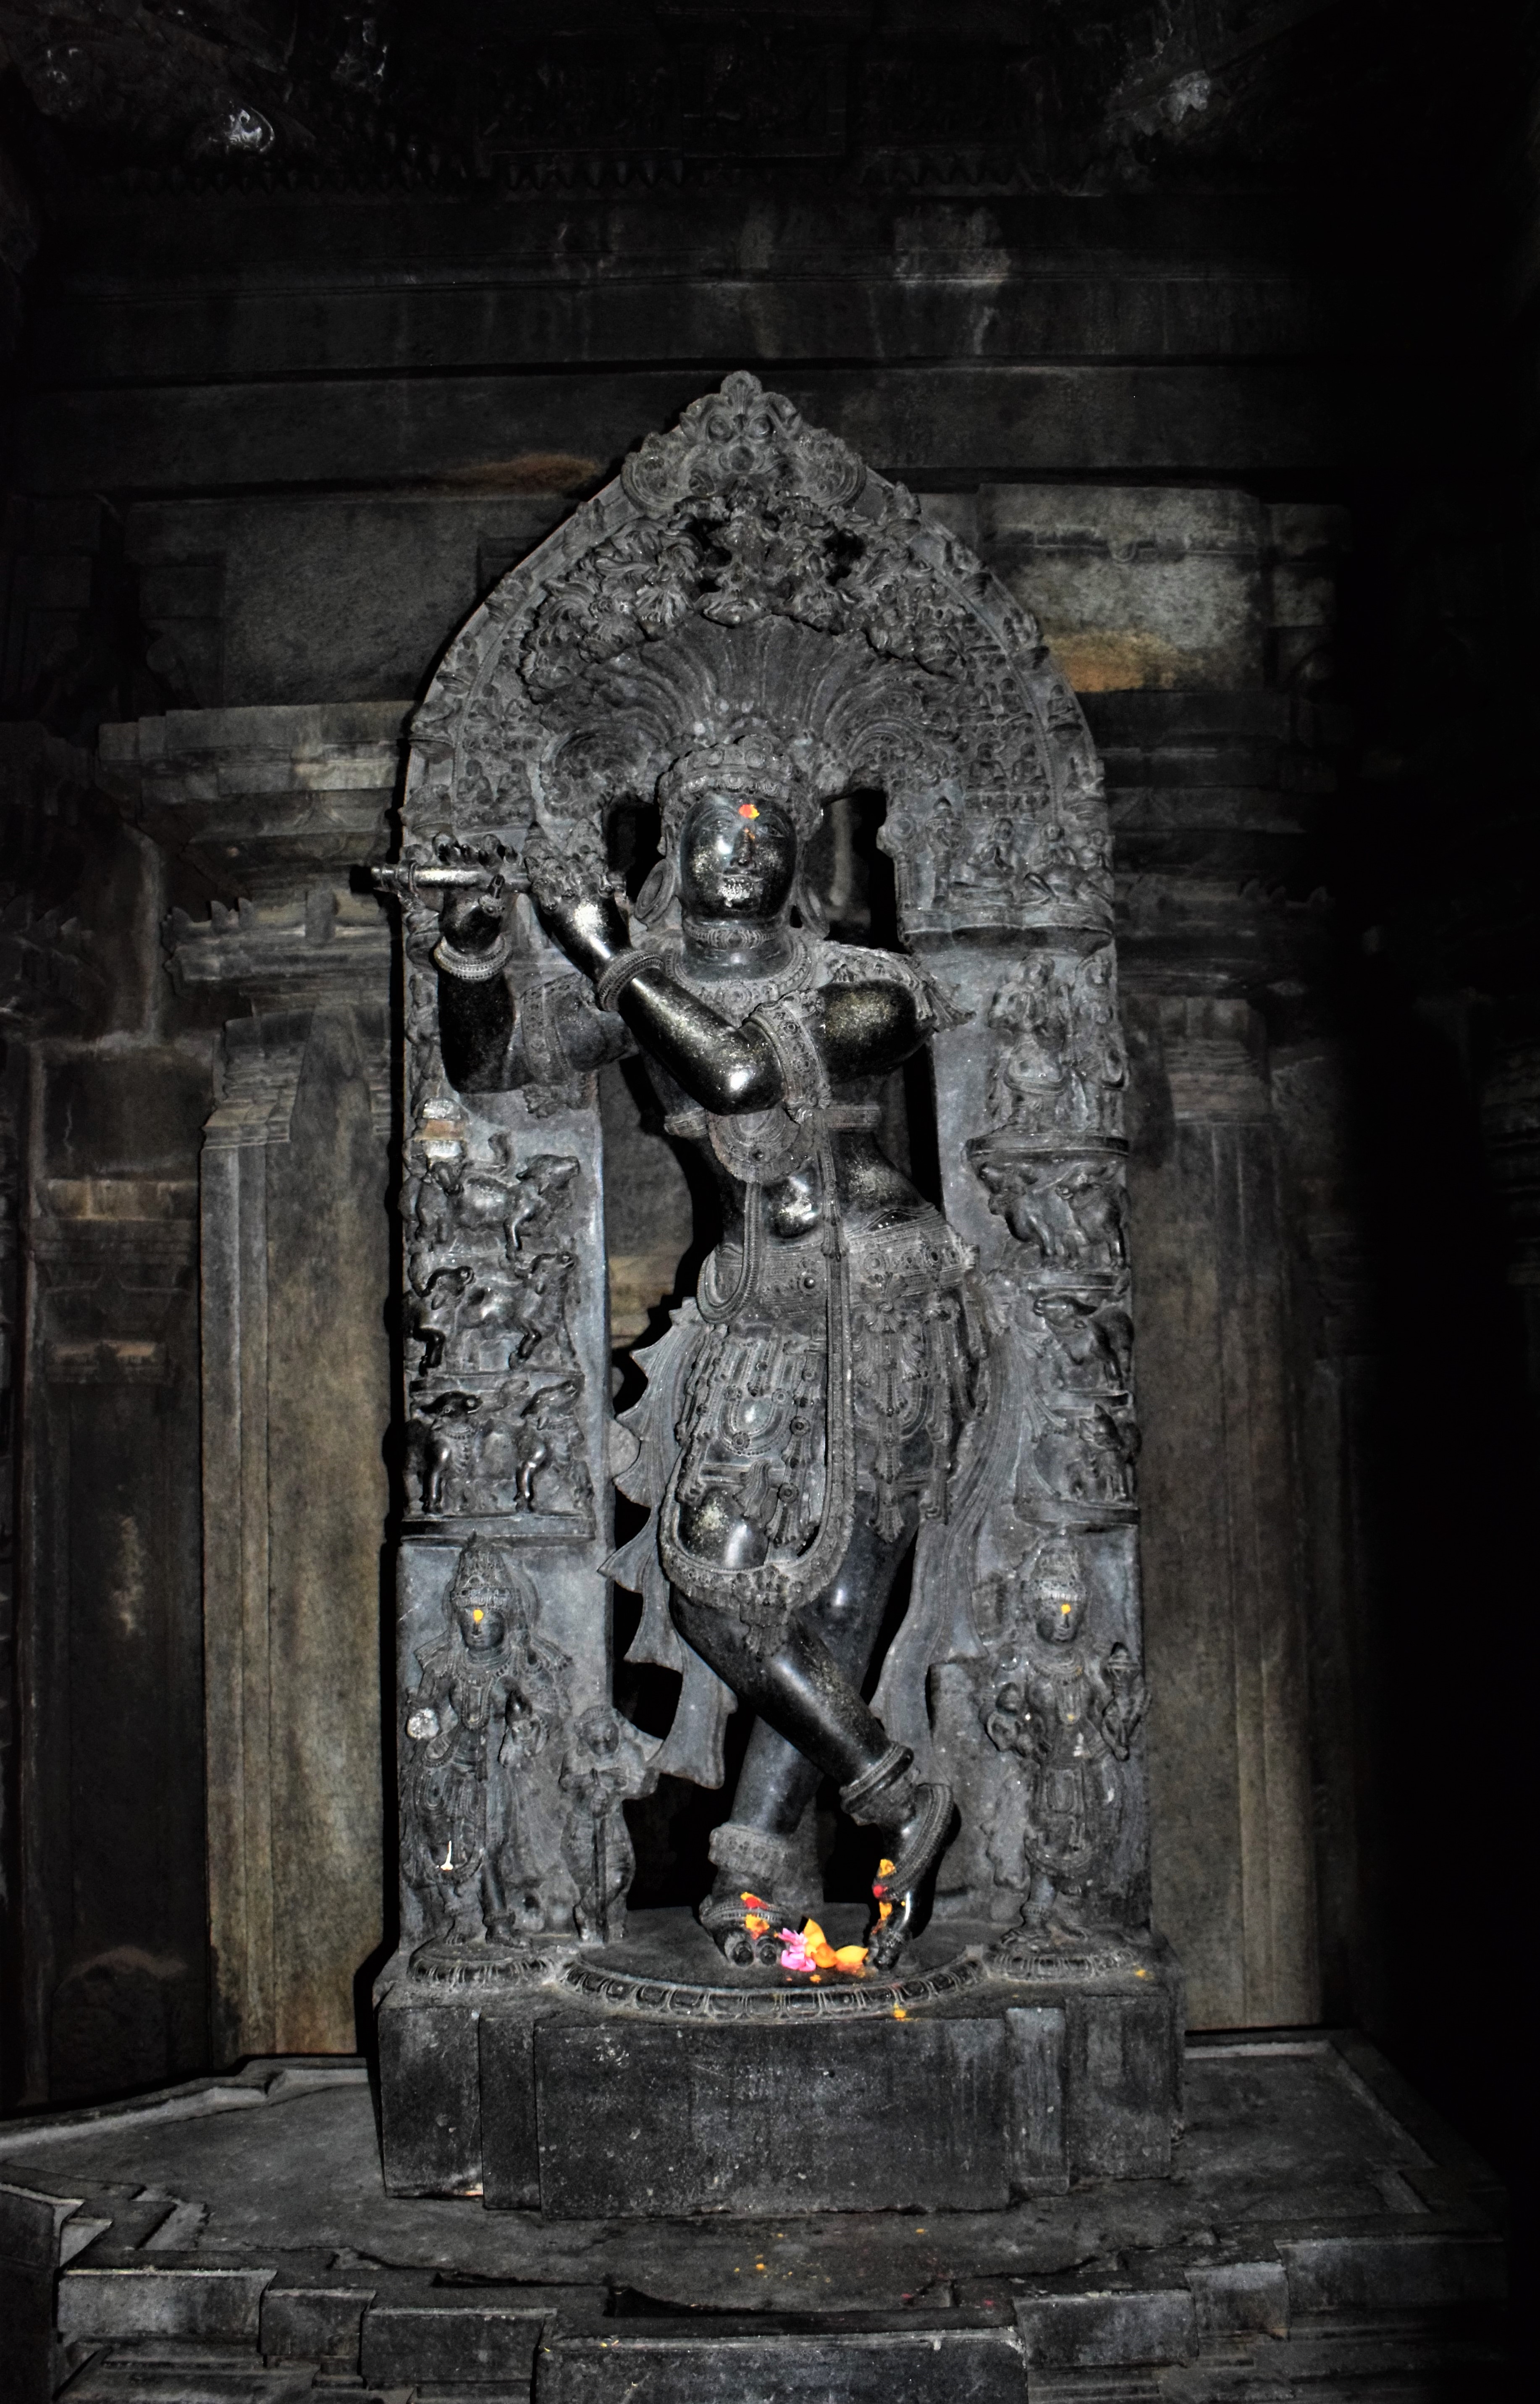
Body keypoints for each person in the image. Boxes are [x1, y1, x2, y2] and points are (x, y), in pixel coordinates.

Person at [431, 735, 986, 1966]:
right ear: (672, 857)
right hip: (756, 1306)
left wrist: (607, 956)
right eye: (712, 832)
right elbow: (494, 1064)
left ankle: (752, 1877)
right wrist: (472, 951)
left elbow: (738, 1073)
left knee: (838, 1602)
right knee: (719, 1589)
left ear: (798, 862)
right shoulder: (656, 982)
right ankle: (896, 1795)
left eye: (764, 832)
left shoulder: (865, 985)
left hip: (887, 1299)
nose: (738, 852)